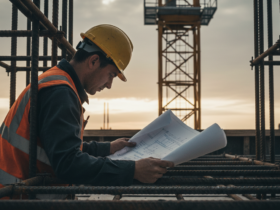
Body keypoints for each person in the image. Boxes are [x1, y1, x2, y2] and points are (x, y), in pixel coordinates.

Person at [0, 24, 174, 198]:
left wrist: (107, 148)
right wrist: (133, 170)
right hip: (15, 199)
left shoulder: (57, 82)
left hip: (17, 194)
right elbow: (68, 163)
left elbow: (59, 147)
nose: (109, 84)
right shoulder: (60, 93)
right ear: (93, 61)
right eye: (111, 75)